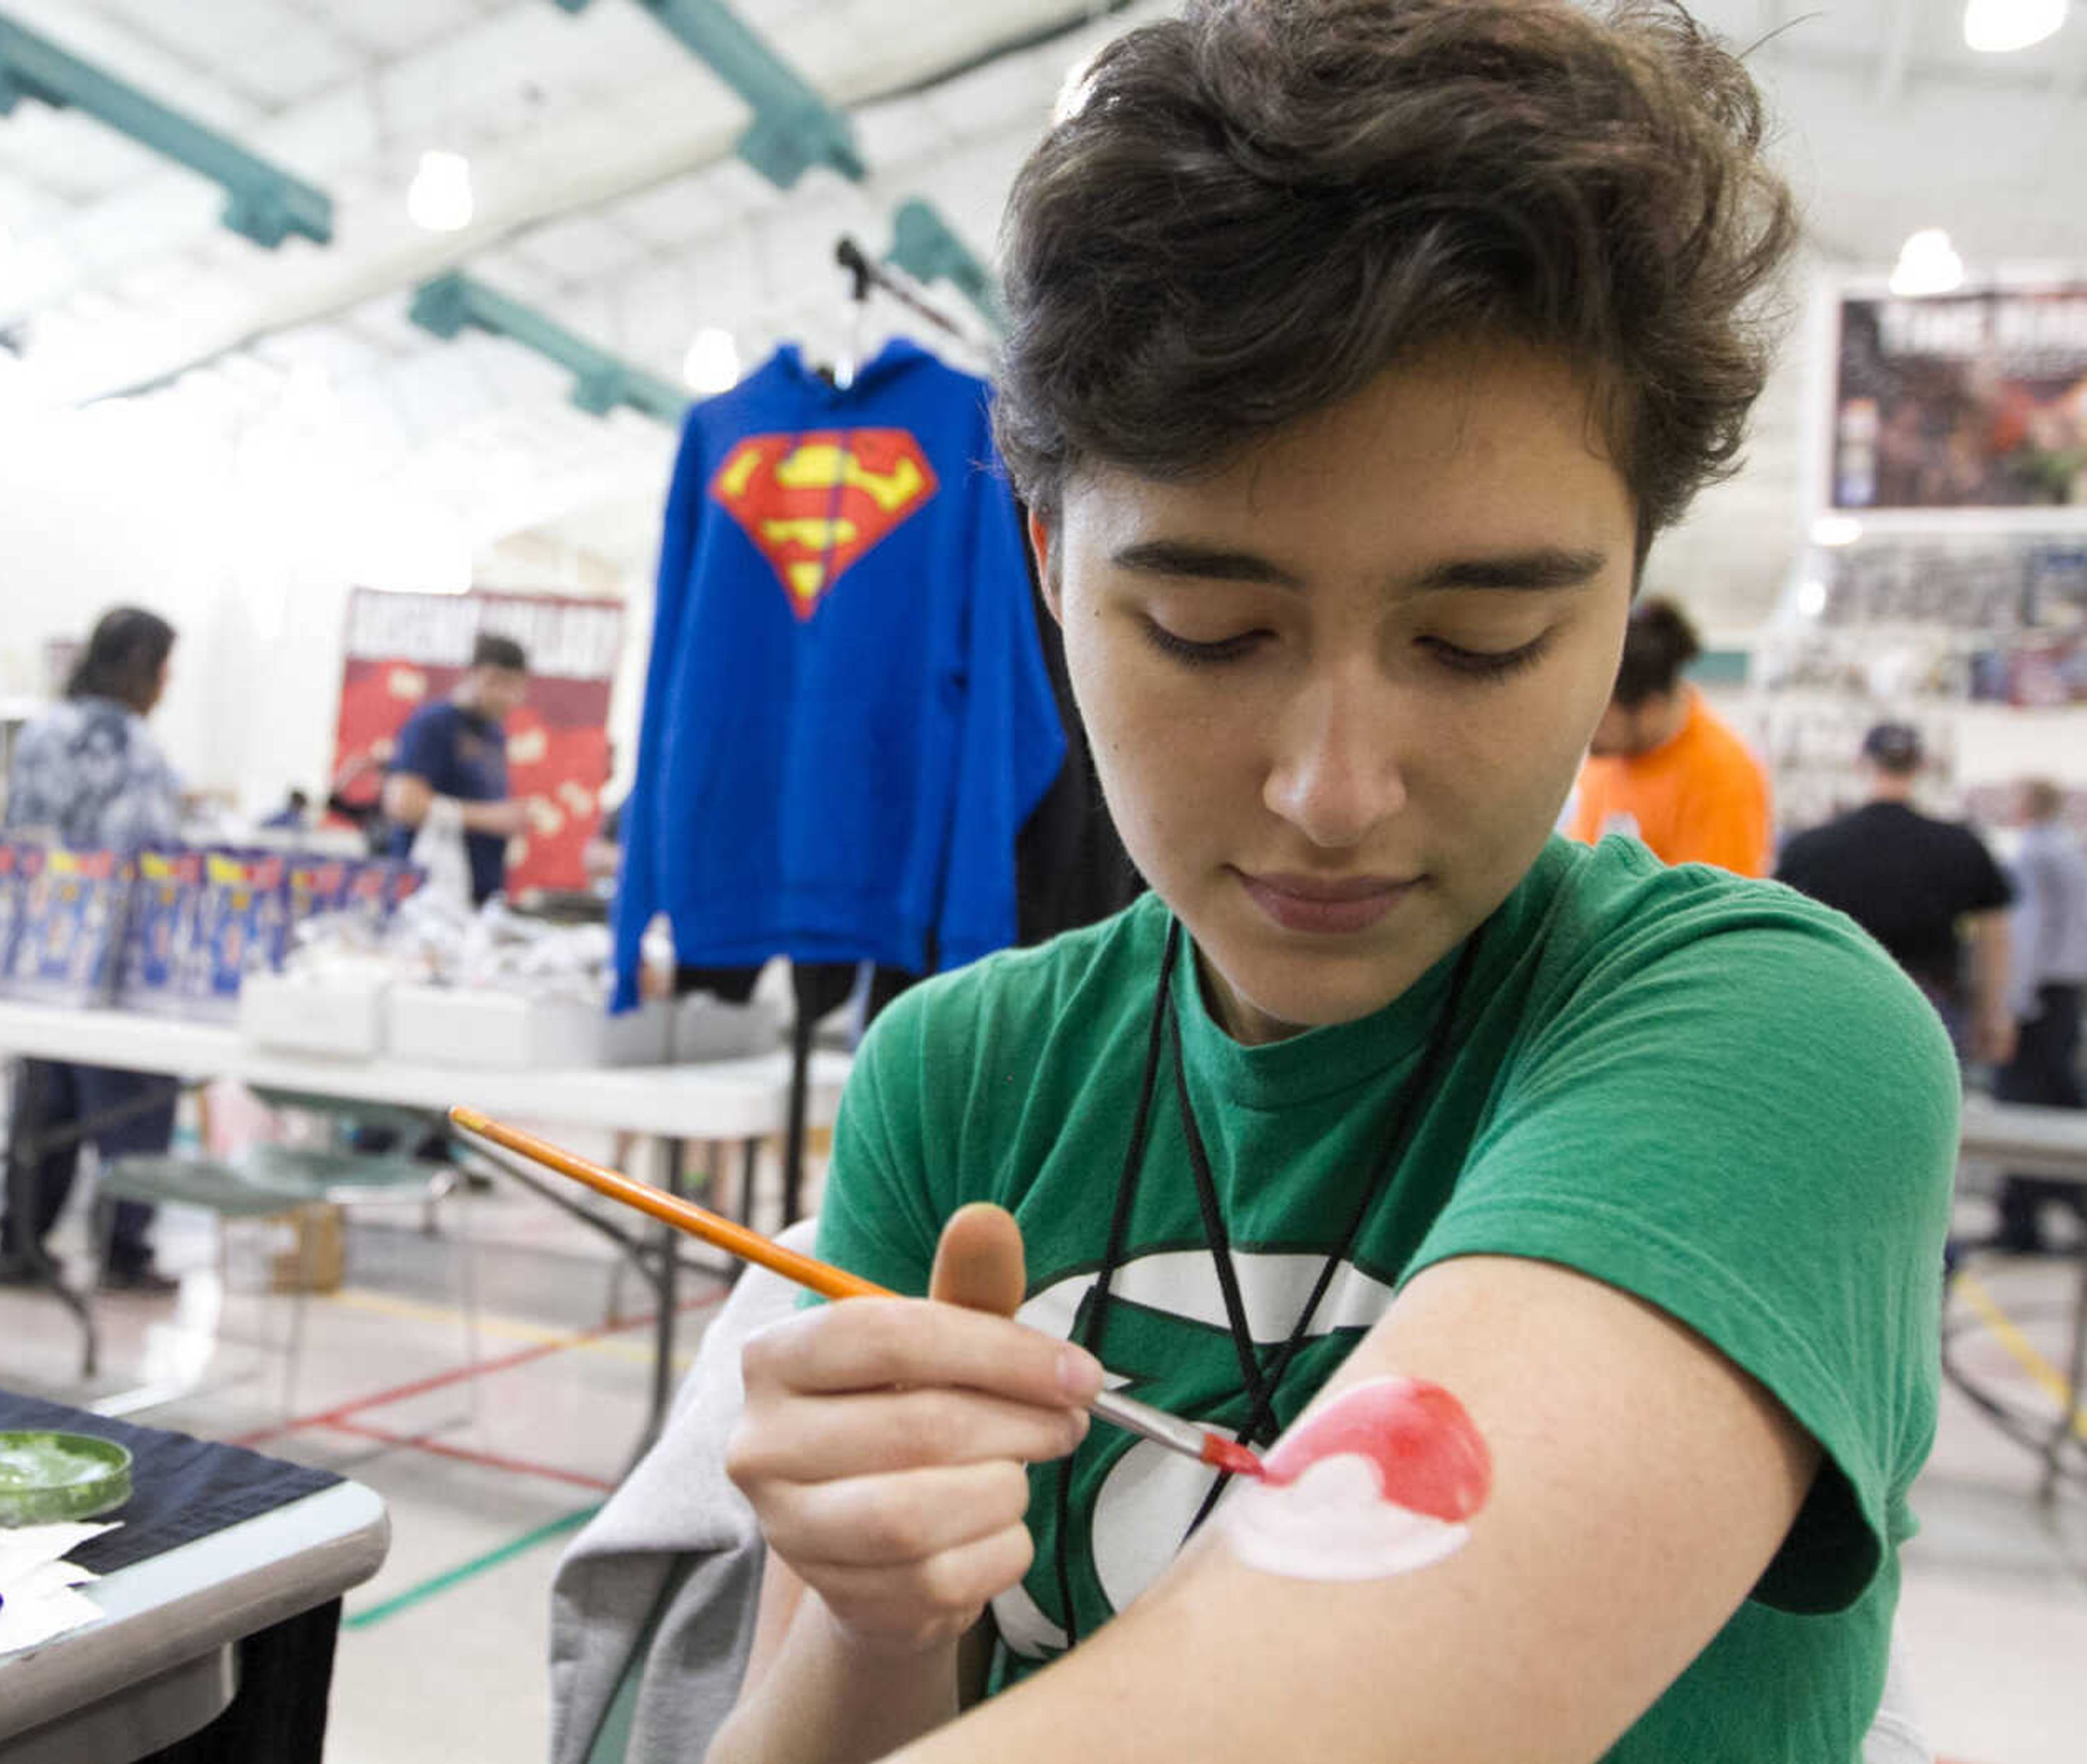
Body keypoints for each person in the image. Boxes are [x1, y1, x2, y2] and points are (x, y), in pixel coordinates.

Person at [706, 7, 1957, 1763]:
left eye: (1477, 641)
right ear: (1051, 563)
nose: (1329, 790)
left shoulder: (1762, 1041)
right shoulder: (963, 1076)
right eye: (1210, 633)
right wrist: (872, 1609)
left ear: (1622, 595)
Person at [0, 606, 184, 1294]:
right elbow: (151, 851)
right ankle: (123, 1249)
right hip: (116, 963)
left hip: (41, 947)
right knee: (131, 1110)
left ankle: (19, 1240)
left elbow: (18, 830)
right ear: (137, 665)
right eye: (163, 670)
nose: (165, 685)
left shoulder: (43, 730)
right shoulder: (133, 744)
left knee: (43, 1107)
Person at [1775, 722, 2017, 1062]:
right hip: (1929, 1006)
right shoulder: (1961, 845)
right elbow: (1994, 937)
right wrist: (1993, 1014)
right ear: (1922, 765)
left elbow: (1784, 935)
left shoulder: (1810, 847)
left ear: (1862, 763)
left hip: (1834, 1004)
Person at [1570, 597, 1772, 874]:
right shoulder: (1609, 757)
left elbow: (1711, 907)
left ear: (1650, 710)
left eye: (1600, 721)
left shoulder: (1721, 776)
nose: (1585, 731)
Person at [1988, 778, 2087, 1253]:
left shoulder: (2031, 855)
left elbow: (2029, 931)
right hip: (2067, 993)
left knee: (2023, 1107)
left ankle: (2021, 1223)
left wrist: (2013, 1001)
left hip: (2039, 996)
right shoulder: (2069, 852)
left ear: (2026, 804)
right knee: (2059, 1101)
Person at [382, 633, 532, 907]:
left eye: (515, 687)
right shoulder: (434, 724)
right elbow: (403, 803)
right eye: (496, 683)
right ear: (471, 675)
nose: (506, 697)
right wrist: (491, 818)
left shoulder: (494, 734)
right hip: (428, 896)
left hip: (477, 895)